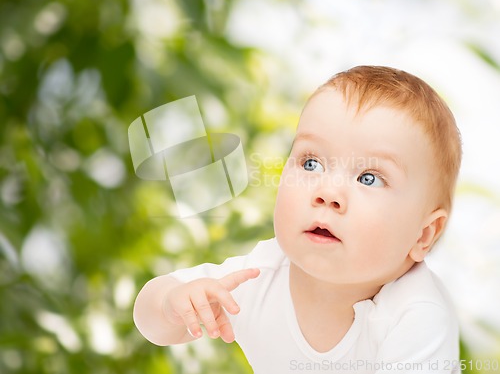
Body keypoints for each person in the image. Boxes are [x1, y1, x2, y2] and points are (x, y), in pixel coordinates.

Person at [133, 66, 462, 374]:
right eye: (311, 163)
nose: (328, 192)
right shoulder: (262, 274)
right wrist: (170, 306)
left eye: (369, 178)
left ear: (424, 235)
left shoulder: (416, 316)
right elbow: (153, 322)